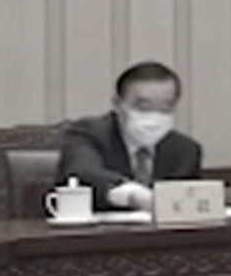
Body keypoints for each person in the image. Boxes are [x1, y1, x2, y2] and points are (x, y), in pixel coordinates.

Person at [56, 61, 204, 212]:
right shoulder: (89, 132)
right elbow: (82, 172)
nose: (154, 116)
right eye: (143, 107)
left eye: (165, 107)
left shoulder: (185, 150)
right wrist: (131, 194)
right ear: (117, 104)